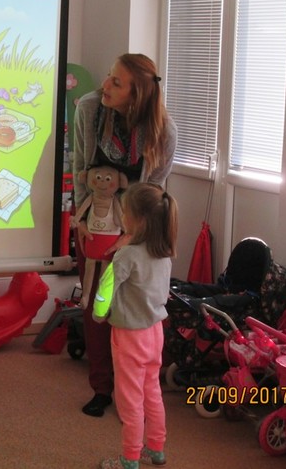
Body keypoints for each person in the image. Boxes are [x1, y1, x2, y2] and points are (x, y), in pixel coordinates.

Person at [72, 53, 177, 417]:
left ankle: (134, 387)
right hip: (96, 224)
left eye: (116, 83)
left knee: (134, 309)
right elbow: (80, 166)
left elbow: (153, 191)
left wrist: (131, 236)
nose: (104, 85)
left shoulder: (163, 132)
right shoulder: (89, 109)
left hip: (138, 229)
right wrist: (81, 220)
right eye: (108, 76)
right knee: (96, 307)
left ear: (138, 95)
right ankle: (102, 388)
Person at [96, 182, 178, 469]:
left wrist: (98, 314)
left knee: (129, 398)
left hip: (130, 335)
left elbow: (106, 288)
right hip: (154, 332)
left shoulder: (127, 255)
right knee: (152, 391)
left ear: (139, 220)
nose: (122, 217)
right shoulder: (164, 253)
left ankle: (130, 458)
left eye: (125, 212)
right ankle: (156, 448)